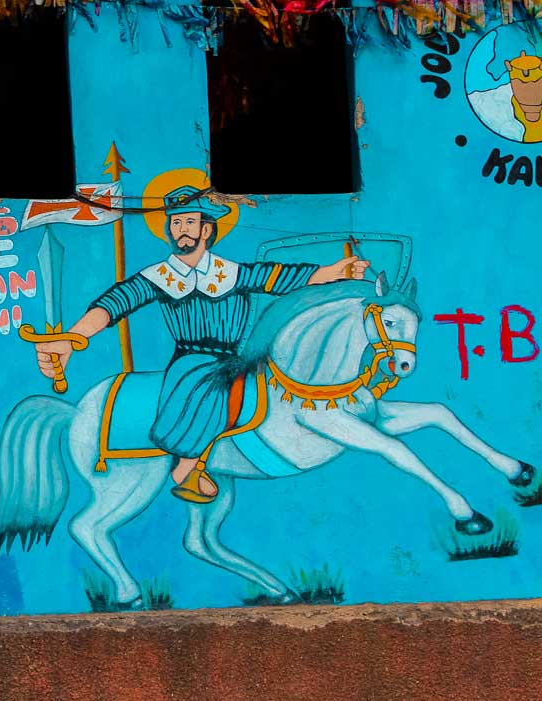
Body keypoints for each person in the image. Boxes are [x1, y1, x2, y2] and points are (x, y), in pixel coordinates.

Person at [34, 185, 367, 503]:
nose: (182, 229)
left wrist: (333, 272)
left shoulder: (230, 272)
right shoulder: (159, 276)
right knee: (209, 382)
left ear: (206, 230)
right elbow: (115, 303)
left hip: (238, 356)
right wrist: (71, 338)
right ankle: (187, 467)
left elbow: (279, 276)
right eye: (176, 222)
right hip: (194, 359)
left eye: (189, 222)